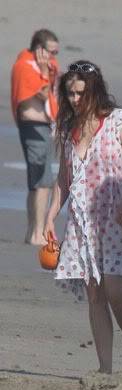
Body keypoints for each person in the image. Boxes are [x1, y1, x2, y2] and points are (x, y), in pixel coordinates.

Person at [43, 60, 122, 376]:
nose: (75, 99)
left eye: (81, 93)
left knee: (116, 289)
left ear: (94, 89)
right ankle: (104, 368)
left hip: (119, 217)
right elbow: (64, 177)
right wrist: (49, 217)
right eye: (70, 94)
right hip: (82, 220)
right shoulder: (67, 128)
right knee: (95, 294)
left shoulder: (119, 121)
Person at [11, 29, 59, 245]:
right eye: (50, 52)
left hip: (42, 125)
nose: (53, 57)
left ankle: (32, 231)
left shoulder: (42, 66)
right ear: (39, 50)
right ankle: (37, 233)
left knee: (39, 182)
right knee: (43, 182)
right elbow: (42, 92)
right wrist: (43, 70)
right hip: (33, 126)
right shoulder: (25, 66)